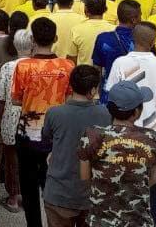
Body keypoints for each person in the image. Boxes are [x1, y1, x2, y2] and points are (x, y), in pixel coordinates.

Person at [105, 21, 156, 225]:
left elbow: (113, 94)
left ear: (132, 39)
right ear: (153, 42)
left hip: (125, 130)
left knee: (123, 175)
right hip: (155, 131)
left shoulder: (120, 63)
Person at [10, 17, 74, 227]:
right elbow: (71, 97)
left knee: (28, 187)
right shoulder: (67, 66)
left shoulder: (23, 67)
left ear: (32, 40)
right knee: (53, 185)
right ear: (55, 38)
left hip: (27, 133)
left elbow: (16, 99)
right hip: (57, 135)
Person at [77, 80, 156, 227]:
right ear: (137, 112)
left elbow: (85, 177)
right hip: (139, 221)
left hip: (100, 221)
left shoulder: (92, 136)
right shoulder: (152, 138)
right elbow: (153, 179)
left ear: (109, 109)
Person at [41, 64, 110, 227]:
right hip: (93, 194)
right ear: (93, 90)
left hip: (59, 193)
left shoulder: (54, 113)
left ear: (71, 85)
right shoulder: (106, 114)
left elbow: (46, 139)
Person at [0, 19, 33, 215]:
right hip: (34, 121)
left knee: (12, 162)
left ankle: (13, 199)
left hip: (11, 121)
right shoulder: (39, 67)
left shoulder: (8, 68)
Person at [92, 0, 142, 98]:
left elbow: (96, 69)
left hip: (109, 94)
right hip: (135, 95)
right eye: (140, 15)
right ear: (133, 20)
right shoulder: (142, 40)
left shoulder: (103, 39)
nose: (141, 18)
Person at [66, 0, 113, 66]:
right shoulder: (113, 30)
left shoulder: (76, 30)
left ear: (86, 10)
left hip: (84, 75)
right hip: (106, 75)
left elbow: (71, 59)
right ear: (105, 10)